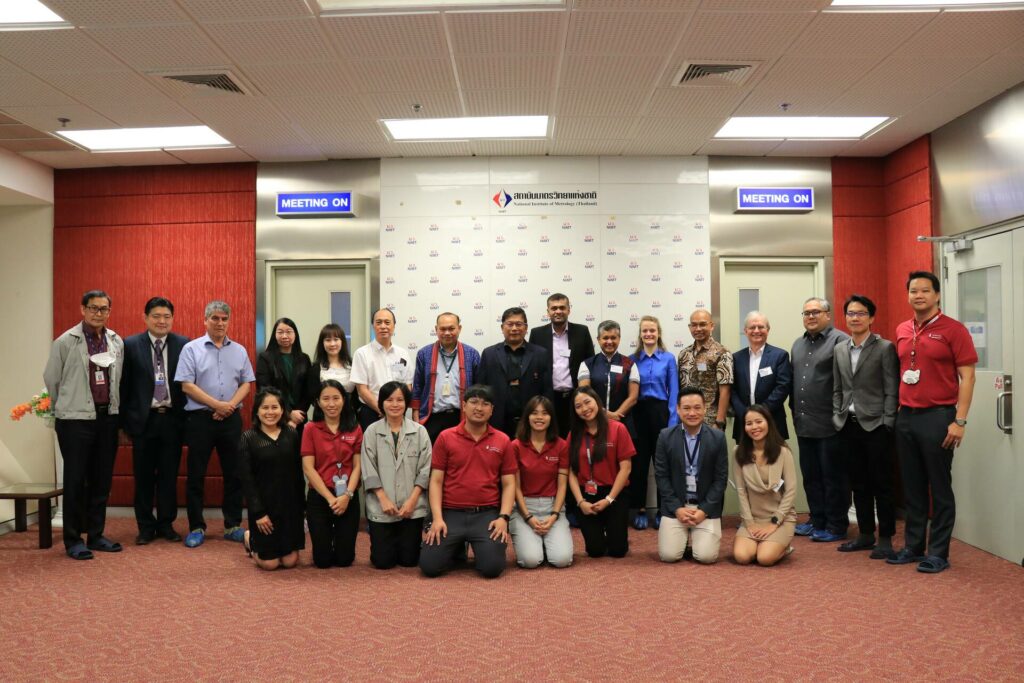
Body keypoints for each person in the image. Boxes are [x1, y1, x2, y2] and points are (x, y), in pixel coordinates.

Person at [889, 271, 977, 574]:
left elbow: (968, 377)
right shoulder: (902, 329)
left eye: (925, 291)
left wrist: (960, 420)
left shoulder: (954, 330)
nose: (919, 295)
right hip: (907, 416)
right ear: (908, 295)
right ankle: (913, 546)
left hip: (939, 417)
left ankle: (938, 552)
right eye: (913, 290)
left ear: (937, 295)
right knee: (912, 487)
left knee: (939, 487)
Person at [44, 289, 125, 560]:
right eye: (93, 308)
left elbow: (118, 378)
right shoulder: (66, 342)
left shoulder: (115, 341)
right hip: (74, 420)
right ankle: (73, 539)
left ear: (109, 312)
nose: (98, 313)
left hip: (107, 418)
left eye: (104, 309)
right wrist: (66, 406)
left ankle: (96, 534)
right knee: (76, 480)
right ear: (83, 309)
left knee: (101, 480)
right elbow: (52, 380)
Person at [175, 300, 255, 548]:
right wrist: (216, 405)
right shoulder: (191, 349)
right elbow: (186, 385)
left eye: (224, 319)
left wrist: (228, 405)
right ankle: (196, 526)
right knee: (196, 474)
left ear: (229, 321)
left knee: (234, 473)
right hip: (200, 420)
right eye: (215, 318)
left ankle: (232, 525)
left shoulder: (239, 350)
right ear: (205, 320)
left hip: (231, 419)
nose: (220, 323)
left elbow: (246, 383)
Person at [419, 385, 517, 579]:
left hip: (486, 515)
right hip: (450, 514)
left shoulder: (503, 440)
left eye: (485, 404)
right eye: (473, 402)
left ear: (492, 410)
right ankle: (458, 546)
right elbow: (436, 481)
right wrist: (437, 518)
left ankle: (473, 546)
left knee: (492, 569)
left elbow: (509, 484)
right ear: (463, 406)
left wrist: (503, 518)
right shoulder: (446, 437)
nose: (479, 408)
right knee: (429, 567)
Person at [833, 294, 900, 559]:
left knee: (881, 483)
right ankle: (864, 534)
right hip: (848, 424)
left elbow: (891, 388)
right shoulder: (840, 348)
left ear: (871, 318)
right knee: (858, 483)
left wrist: (888, 421)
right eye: (850, 313)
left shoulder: (884, 348)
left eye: (861, 313)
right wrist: (837, 415)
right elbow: (838, 387)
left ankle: (885, 538)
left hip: (876, 425)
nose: (855, 318)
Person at [120, 296, 188, 545]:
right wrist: (125, 423)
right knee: (144, 476)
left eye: (167, 316)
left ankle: (167, 524)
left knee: (170, 476)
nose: (162, 321)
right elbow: (123, 386)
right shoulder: (130, 345)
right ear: (145, 318)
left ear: (172, 318)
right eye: (156, 316)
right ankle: (146, 526)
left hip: (172, 419)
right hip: (143, 421)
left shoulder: (184, 344)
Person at [790, 298, 850, 543]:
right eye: (806, 312)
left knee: (833, 477)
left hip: (830, 424)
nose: (811, 316)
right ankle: (817, 519)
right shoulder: (798, 344)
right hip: (804, 424)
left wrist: (840, 417)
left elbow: (847, 383)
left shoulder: (840, 341)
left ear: (828, 314)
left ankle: (836, 525)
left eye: (816, 312)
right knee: (811, 476)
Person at [361, 381, 432, 569]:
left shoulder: (419, 432)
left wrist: (412, 500)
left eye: (400, 400)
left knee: (409, 561)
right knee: (383, 562)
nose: (395, 404)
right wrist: (383, 498)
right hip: (381, 506)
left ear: (407, 403)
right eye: (389, 400)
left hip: (412, 506)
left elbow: (425, 470)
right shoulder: (372, 431)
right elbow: (368, 468)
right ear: (381, 403)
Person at [654, 387, 729, 564]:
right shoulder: (665, 436)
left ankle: (693, 537)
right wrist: (677, 508)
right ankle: (685, 535)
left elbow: (720, 480)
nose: (692, 413)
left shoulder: (718, 438)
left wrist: (704, 510)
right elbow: (661, 477)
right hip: (677, 506)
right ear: (678, 410)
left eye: (697, 407)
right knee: (669, 556)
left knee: (706, 557)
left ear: (705, 409)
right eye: (686, 408)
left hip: (705, 508)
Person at [237, 388, 304, 570]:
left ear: (283, 410)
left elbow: (298, 473)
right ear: (257, 411)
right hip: (264, 508)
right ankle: (250, 539)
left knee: (290, 562)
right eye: (265, 408)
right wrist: (258, 513)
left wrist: (300, 506)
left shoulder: (291, 434)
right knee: (270, 564)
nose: (270, 412)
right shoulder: (248, 438)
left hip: (288, 506)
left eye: (275, 407)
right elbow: (247, 481)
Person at [567, 386, 635, 558]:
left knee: (618, 551)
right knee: (595, 551)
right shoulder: (574, 434)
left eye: (587, 402)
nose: (584, 409)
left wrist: (609, 499)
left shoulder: (618, 428)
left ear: (597, 401)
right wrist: (580, 501)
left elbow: (626, 468)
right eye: (578, 406)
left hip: (615, 493)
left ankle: (615, 533)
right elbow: (571, 472)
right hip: (587, 494)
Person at [301, 379, 363, 569]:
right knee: (323, 561)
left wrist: (347, 496)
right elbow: (308, 468)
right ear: (318, 402)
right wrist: (330, 498)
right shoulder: (310, 428)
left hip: (348, 496)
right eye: (326, 399)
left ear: (344, 400)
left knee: (345, 560)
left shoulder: (355, 428)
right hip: (320, 497)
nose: (331, 404)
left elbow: (358, 467)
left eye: (336, 398)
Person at [509, 396, 573, 568]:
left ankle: (546, 541)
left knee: (562, 560)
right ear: (527, 417)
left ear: (551, 418)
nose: (539, 417)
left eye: (545, 413)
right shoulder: (515, 446)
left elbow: (562, 486)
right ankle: (536, 543)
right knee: (530, 561)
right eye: (534, 413)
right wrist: (528, 517)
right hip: (524, 509)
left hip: (552, 507)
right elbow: (514, 488)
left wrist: (554, 516)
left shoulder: (561, 445)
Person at [733, 405, 798, 567]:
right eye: (749, 423)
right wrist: (749, 523)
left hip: (780, 519)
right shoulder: (738, 452)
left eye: (758, 422)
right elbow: (741, 490)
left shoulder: (783, 452)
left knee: (765, 559)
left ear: (768, 423)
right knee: (742, 557)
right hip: (753, 519)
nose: (754, 427)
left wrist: (774, 522)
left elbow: (791, 490)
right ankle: (764, 544)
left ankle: (784, 547)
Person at [629, 315, 678, 530]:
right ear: (640, 334)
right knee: (639, 465)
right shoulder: (631, 360)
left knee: (661, 465)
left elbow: (674, 392)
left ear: (659, 333)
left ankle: (662, 510)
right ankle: (639, 508)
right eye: (645, 331)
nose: (649, 334)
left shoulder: (668, 359)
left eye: (652, 330)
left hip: (661, 413)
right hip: (638, 413)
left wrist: (672, 420)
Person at [477, 307, 553, 438]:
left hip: (531, 421)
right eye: (510, 324)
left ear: (526, 327)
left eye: (519, 324)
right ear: (502, 327)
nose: (514, 328)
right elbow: (481, 389)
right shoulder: (489, 354)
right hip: (497, 421)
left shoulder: (540, 354)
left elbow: (547, 390)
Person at [529, 293, 595, 437]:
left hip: (575, 397)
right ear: (548, 312)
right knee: (551, 438)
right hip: (548, 397)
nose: (558, 311)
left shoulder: (582, 331)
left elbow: (591, 363)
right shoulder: (537, 334)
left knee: (576, 438)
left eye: (562, 308)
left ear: (568, 310)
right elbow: (532, 366)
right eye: (554, 308)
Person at [412, 312, 481, 442]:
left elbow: (479, 390)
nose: (447, 333)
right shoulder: (424, 354)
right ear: (436, 329)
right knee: (432, 460)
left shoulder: (472, 354)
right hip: (431, 418)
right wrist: (417, 421)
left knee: (460, 459)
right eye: (443, 329)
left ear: (459, 328)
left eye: (451, 328)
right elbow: (417, 388)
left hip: (462, 418)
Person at [730, 311, 792, 444]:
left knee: (774, 463)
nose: (756, 331)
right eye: (752, 327)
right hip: (743, 422)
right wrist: (745, 413)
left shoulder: (780, 356)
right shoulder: (735, 358)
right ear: (745, 331)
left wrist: (760, 412)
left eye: (761, 327)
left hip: (772, 420)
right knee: (745, 462)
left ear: (768, 330)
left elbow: (783, 387)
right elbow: (732, 390)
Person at [351, 308, 412, 431]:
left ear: (394, 326)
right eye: (378, 322)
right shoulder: (362, 353)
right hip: (371, 412)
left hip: (397, 412)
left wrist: (396, 409)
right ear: (373, 326)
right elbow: (362, 390)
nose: (383, 326)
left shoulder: (402, 354)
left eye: (387, 322)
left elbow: (408, 386)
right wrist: (382, 409)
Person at [578, 319, 639, 438]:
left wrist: (617, 415)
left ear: (619, 339)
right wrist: (604, 414)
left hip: (623, 424)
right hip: (593, 422)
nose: (609, 341)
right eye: (605, 338)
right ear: (598, 339)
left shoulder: (630, 364)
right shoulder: (586, 364)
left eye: (613, 337)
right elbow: (585, 395)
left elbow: (633, 397)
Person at [676, 309, 733, 430]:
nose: (698, 329)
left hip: (710, 420)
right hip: (686, 419)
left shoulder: (722, 353)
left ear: (711, 326)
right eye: (694, 325)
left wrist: (719, 421)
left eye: (702, 324)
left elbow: (725, 390)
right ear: (689, 327)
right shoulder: (683, 354)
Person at [256, 317, 312, 430]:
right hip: (274, 416)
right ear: (274, 335)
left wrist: (297, 416)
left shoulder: (304, 359)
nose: (284, 336)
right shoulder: (265, 358)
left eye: (289, 332)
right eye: (280, 332)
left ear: (295, 334)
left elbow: (308, 390)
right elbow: (264, 387)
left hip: (298, 418)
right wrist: (288, 413)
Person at [307, 323, 355, 421]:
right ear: (322, 343)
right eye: (328, 340)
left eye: (336, 339)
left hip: (348, 416)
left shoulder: (353, 365)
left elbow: (358, 394)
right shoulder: (316, 368)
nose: (332, 344)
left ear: (342, 342)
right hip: (323, 417)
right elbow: (312, 397)